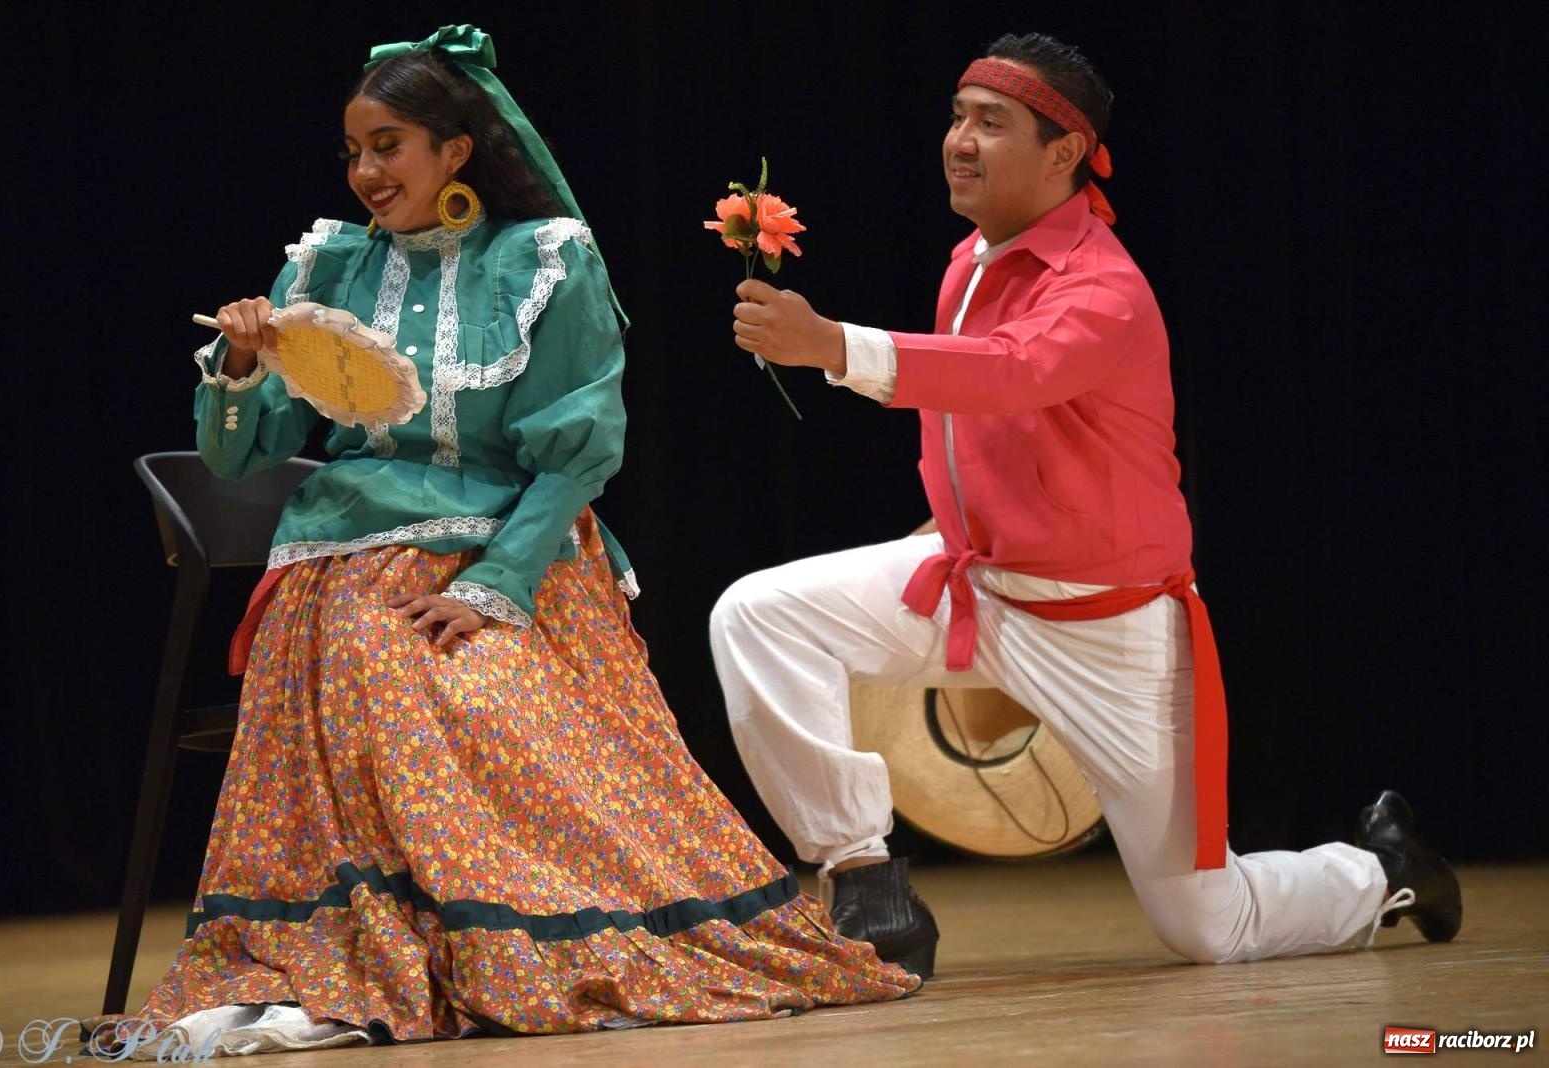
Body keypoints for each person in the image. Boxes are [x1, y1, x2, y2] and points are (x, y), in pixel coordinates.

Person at [87, 24, 918, 1055]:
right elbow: (238, 461)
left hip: (517, 552)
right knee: (390, 669)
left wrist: (494, 583)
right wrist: (248, 366)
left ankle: (542, 933)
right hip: (348, 562)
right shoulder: (327, 267)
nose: (366, 172)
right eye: (353, 151)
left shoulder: (542, 264)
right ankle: (420, 938)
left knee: (493, 699)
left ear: (457, 150)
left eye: (388, 145)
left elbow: (574, 456)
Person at [710, 31, 1461, 979]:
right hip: (981, 586)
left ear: (1065, 151)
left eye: (992, 123)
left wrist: (835, 347)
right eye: (956, 117)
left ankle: (1380, 869)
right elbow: (978, 421)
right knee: (759, 615)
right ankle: (863, 876)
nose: (960, 140)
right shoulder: (971, 260)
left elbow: (1013, 374)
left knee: (1205, 924)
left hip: (1105, 626)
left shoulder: (1103, 289)